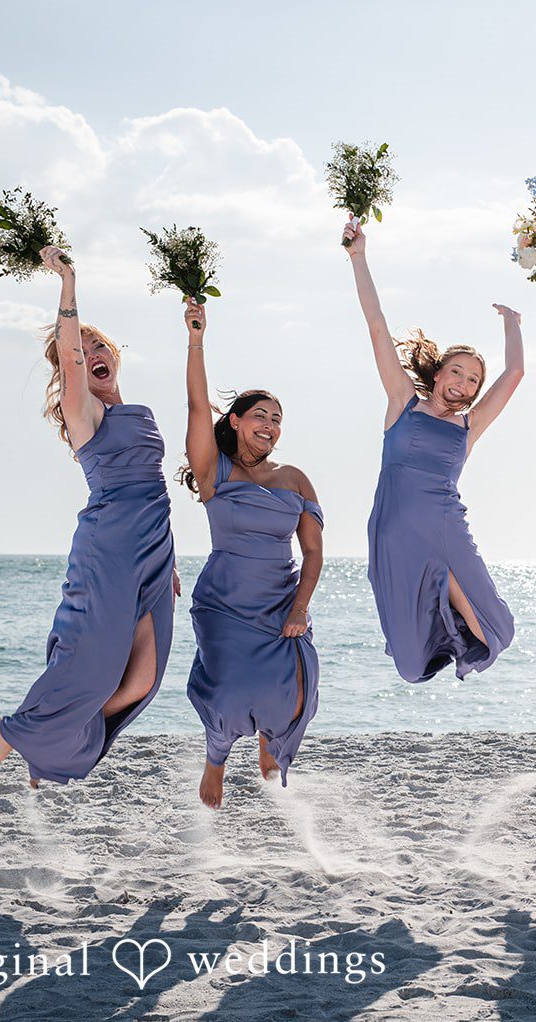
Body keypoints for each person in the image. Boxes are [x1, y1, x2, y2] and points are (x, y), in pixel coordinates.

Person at [0, 245, 175, 786]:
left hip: (154, 546)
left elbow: (152, 488)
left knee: (143, 680)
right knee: (92, 667)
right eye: (81, 350)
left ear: (115, 353)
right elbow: (68, 358)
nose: (89, 353)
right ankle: (16, 732)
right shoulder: (82, 409)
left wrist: (167, 558)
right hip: (109, 546)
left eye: (98, 344)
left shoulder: (139, 411)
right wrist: (68, 282)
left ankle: (49, 745)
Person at [344, 219, 522, 682]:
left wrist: (512, 324)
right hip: (394, 528)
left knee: (496, 628)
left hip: (444, 525)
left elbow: (515, 374)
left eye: (473, 380)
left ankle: (451, 611)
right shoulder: (403, 402)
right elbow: (377, 326)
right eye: (457, 372)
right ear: (440, 372)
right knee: (408, 655)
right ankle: (439, 617)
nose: (463, 384)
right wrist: (358, 258)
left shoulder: (469, 426)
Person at [177, 300, 323, 809]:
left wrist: (300, 607)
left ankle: (270, 739)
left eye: (277, 419)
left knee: (288, 690)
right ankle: (216, 755)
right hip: (224, 600)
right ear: (236, 421)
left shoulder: (295, 478)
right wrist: (196, 338)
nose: (270, 424)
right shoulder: (215, 473)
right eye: (260, 415)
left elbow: (312, 552)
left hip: (279, 598)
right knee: (224, 690)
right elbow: (198, 407)